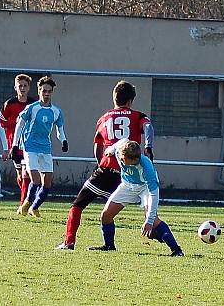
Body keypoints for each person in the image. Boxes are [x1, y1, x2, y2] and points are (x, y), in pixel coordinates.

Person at [56, 80, 153, 250]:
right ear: (130, 101)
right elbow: (149, 127)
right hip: (127, 173)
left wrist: (100, 163)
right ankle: (168, 242)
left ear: (114, 99)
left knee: (77, 205)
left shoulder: (104, 118)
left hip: (106, 169)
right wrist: (148, 146)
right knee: (147, 210)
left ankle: (69, 242)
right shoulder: (138, 116)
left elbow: (97, 146)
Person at [89, 139, 184, 257]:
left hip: (145, 188)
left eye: (125, 159)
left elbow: (154, 195)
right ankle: (109, 246)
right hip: (127, 185)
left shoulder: (147, 167)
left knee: (154, 221)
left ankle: (176, 250)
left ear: (134, 160)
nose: (121, 160)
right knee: (106, 215)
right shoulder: (121, 150)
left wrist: (148, 222)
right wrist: (111, 149)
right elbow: (122, 141)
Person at [11, 76, 68, 218]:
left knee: (47, 183)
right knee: (35, 180)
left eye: (49, 91)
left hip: (45, 148)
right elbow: (20, 125)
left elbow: (59, 130)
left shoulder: (56, 111)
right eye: (44, 91)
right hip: (30, 147)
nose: (46, 94)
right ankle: (25, 205)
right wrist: (15, 145)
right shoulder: (32, 108)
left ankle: (34, 207)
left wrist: (64, 141)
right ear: (39, 91)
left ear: (52, 92)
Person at [0, 74, 36, 209]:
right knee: (20, 175)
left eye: (25, 86)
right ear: (15, 87)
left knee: (26, 173)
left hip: (28, 144)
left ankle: (24, 203)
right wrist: (15, 122)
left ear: (29, 88)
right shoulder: (9, 104)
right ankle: (24, 194)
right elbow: (1, 122)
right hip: (14, 144)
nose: (22, 88)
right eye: (20, 86)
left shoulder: (33, 104)